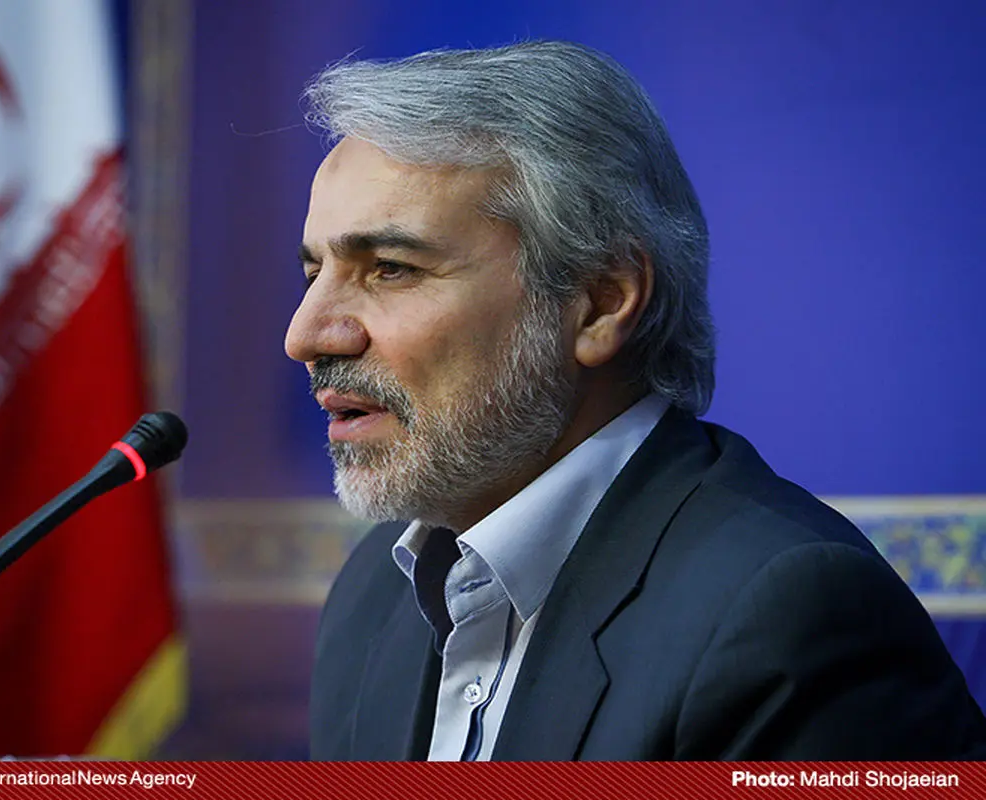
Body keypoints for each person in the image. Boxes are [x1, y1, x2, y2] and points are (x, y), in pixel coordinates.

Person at [285, 41, 986, 760]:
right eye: (313, 274)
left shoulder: (788, 612)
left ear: (600, 303)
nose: (304, 335)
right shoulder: (374, 593)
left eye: (391, 269)